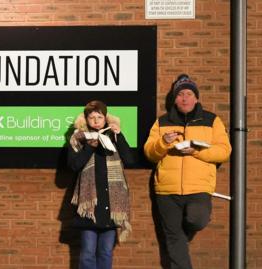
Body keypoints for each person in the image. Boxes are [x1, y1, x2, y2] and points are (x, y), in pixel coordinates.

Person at [144, 74, 232, 269]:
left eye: (189, 94)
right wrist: (163, 143)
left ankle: (183, 233)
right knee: (173, 238)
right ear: (175, 99)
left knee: (197, 219)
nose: (185, 98)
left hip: (199, 188)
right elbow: (150, 153)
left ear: (196, 98)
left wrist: (197, 152)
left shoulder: (211, 120)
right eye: (181, 94)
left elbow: (224, 151)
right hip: (166, 190)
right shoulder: (162, 122)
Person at [68, 100, 134, 269]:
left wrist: (120, 136)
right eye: (92, 117)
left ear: (106, 118)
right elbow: (74, 165)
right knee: (88, 252)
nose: (96, 121)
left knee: (105, 252)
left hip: (111, 204)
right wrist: (89, 147)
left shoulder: (113, 136)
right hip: (90, 205)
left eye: (100, 117)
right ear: (86, 119)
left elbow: (130, 160)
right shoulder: (79, 138)